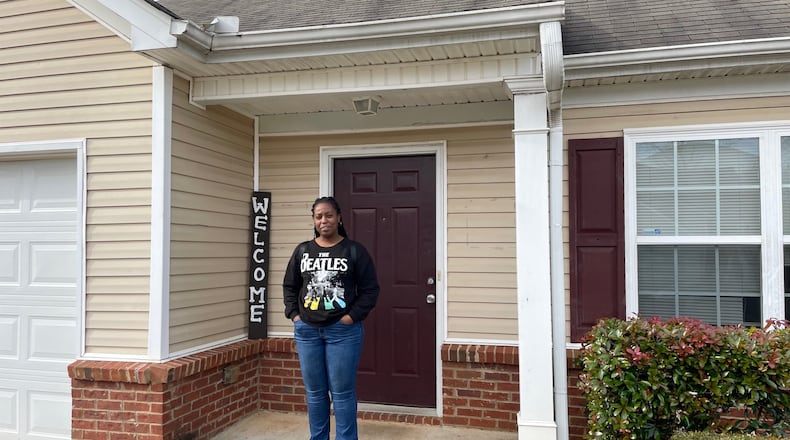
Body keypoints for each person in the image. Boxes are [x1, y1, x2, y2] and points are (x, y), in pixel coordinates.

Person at [283, 196, 380, 440]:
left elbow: (370, 290)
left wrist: (350, 317)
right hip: (307, 331)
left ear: (338, 217)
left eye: (328, 215)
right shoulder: (303, 251)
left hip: (343, 332)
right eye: (318, 216)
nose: (323, 220)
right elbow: (290, 286)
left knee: (342, 393)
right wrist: (294, 315)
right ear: (314, 221)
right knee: (315, 393)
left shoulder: (354, 250)